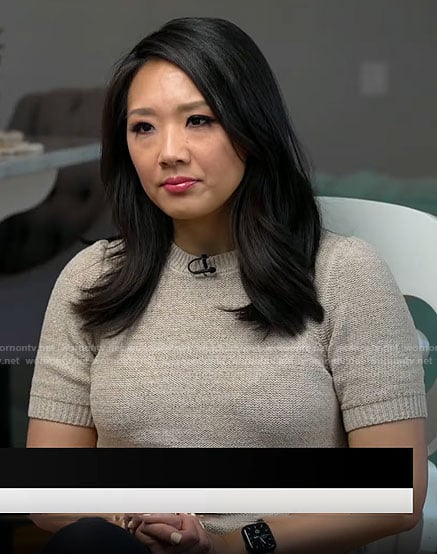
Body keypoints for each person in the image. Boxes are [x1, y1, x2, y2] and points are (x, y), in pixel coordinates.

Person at [26, 16, 427, 554]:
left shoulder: (344, 274)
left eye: (199, 120)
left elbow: (396, 493)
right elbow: (47, 493)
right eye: (143, 127)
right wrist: (141, 521)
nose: (168, 151)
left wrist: (231, 544)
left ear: (251, 128)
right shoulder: (92, 277)